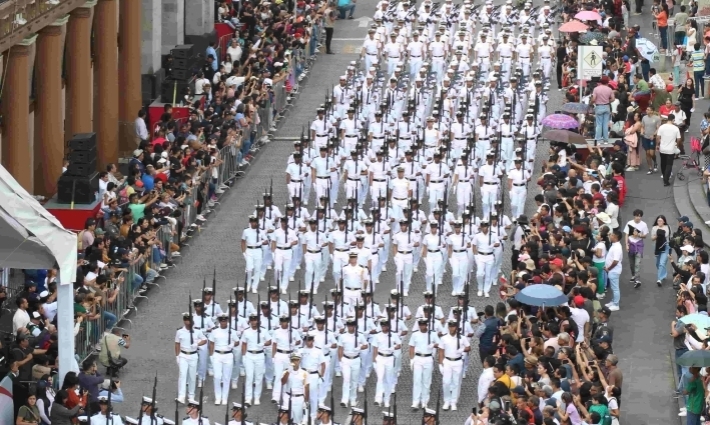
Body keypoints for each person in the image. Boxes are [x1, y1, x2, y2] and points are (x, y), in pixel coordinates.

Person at [623, 209, 649, 288]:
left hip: (639, 244)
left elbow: (645, 235)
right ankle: (634, 275)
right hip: (631, 244)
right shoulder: (629, 223)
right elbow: (626, 235)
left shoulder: (644, 225)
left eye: (640, 216)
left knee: (637, 263)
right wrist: (626, 245)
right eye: (637, 216)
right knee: (632, 264)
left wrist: (638, 235)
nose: (638, 218)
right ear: (634, 216)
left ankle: (637, 280)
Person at [656, 114, 681, 186]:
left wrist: (657, 145)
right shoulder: (676, 128)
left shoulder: (662, 127)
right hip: (671, 149)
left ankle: (664, 175)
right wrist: (677, 146)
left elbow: (658, 137)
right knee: (669, 164)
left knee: (663, 163)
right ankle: (666, 180)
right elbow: (679, 139)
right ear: (673, 120)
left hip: (662, 148)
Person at [604, 230, 624, 311]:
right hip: (612, 270)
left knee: (615, 288)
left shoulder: (617, 247)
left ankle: (616, 304)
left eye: (611, 235)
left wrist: (608, 268)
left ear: (615, 237)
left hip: (614, 271)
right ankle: (613, 301)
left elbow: (615, 261)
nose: (610, 236)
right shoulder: (614, 245)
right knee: (613, 287)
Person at [592, 76, 615, 144]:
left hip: (599, 106)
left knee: (599, 124)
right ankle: (605, 140)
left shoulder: (596, 89)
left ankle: (598, 140)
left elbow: (593, 99)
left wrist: (592, 102)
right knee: (605, 124)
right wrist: (607, 101)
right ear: (607, 82)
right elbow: (613, 99)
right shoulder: (609, 89)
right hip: (607, 106)